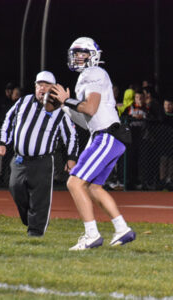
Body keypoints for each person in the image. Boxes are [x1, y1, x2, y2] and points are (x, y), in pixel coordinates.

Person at [51, 37, 136, 250]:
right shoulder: (87, 78)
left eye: (82, 53)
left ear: (93, 55)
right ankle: (122, 229)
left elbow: (89, 108)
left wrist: (66, 101)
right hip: (106, 135)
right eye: (76, 53)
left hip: (107, 135)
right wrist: (65, 107)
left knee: (74, 183)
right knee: (94, 188)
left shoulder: (94, 73)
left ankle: (91, 235)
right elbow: (86, 119)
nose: (78, 57)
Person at [0, 71, 79, 237]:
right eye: (39, 85)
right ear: (35, 87)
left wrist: (71, 158)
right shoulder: (24, 101)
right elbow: (8, 120)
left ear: (54, 89)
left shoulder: (60, 110)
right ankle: (30, 219)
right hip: (19, 159)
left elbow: (71, 135)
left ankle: (36, 232)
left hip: (42, 161)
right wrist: (2, 142)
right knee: (15, 188)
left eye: (46, 85)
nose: (42, 88)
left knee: (40, 198)